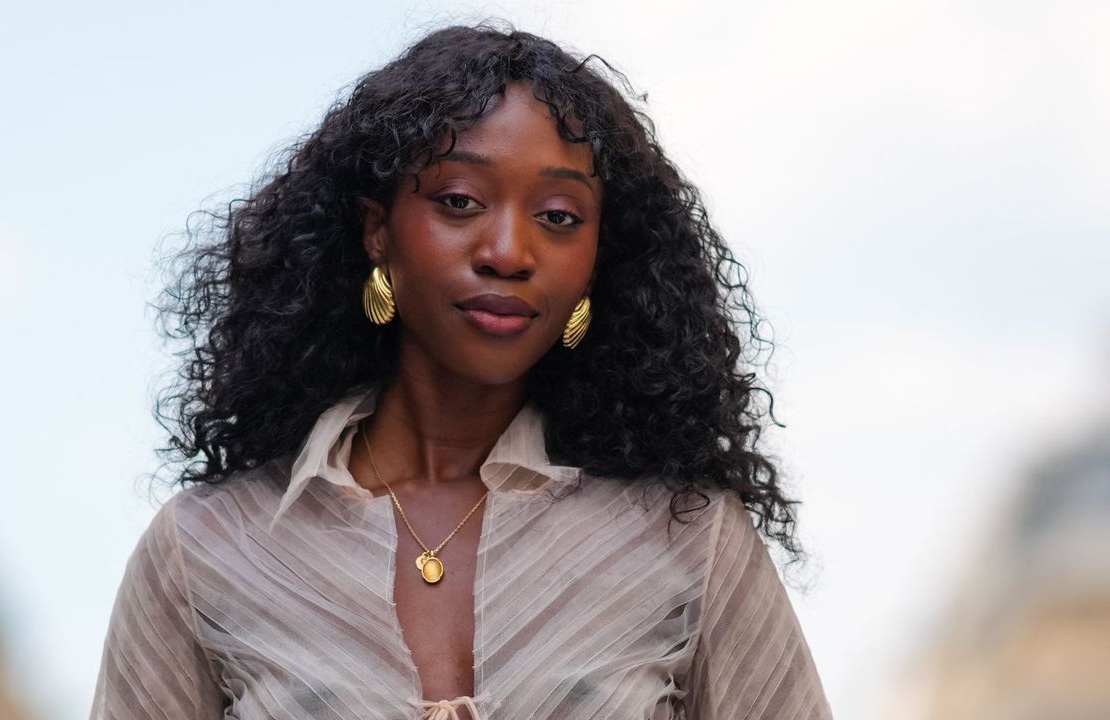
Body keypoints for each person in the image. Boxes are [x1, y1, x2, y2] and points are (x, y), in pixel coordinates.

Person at [90, 22, 832, 720]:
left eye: (560, 216)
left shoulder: (689, 539)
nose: (509, 251)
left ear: (598, 260)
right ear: (378, 228)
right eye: (459, 201)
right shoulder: (208, 547)